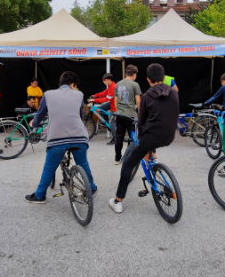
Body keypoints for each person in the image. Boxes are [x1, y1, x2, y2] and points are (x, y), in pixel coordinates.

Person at [109, 63, 179, 213]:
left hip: (151, 138)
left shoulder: (147, 96)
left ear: (148, 79)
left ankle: (118, 201)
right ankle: (153, 156)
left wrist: (144, 145)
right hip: (169, 136)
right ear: (163, 77)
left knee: (128, 164)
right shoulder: (174, 93)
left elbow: (141, 123)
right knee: (153, 134)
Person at [25, 71, 97, 203]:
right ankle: (91, 187)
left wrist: (33, 123)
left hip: (57, 139)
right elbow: (79, 115)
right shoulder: (79, 95)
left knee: (49, 168)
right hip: (79, 137)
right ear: (72, 84)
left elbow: (40, 116)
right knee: (83, 163)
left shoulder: (48, 95)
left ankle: (39, 196)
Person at [113, 65, 142, 165]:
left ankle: (117, 159)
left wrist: (118, 111)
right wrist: (139, 112)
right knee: (133, 136)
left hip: (120, 114)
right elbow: (138, 100)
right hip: (130, 114)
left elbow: (115, 99)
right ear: (134, 74)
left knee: (119, 137)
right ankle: (132, 158)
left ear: (126, 73)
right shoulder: (135, 84)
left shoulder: (118, 84)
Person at [88, 73, 117, 145]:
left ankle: (115, 138)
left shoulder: (113, 87)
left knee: (112, 122)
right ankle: (107, 124)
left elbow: (106, 98)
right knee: (101, 109)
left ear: (109, 80)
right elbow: (104, 93)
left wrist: (94, 100)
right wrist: (95, 96)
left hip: (115, 106)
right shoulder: (110, 86)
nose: (103, 81)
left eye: (104, 80)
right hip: (111, 103)